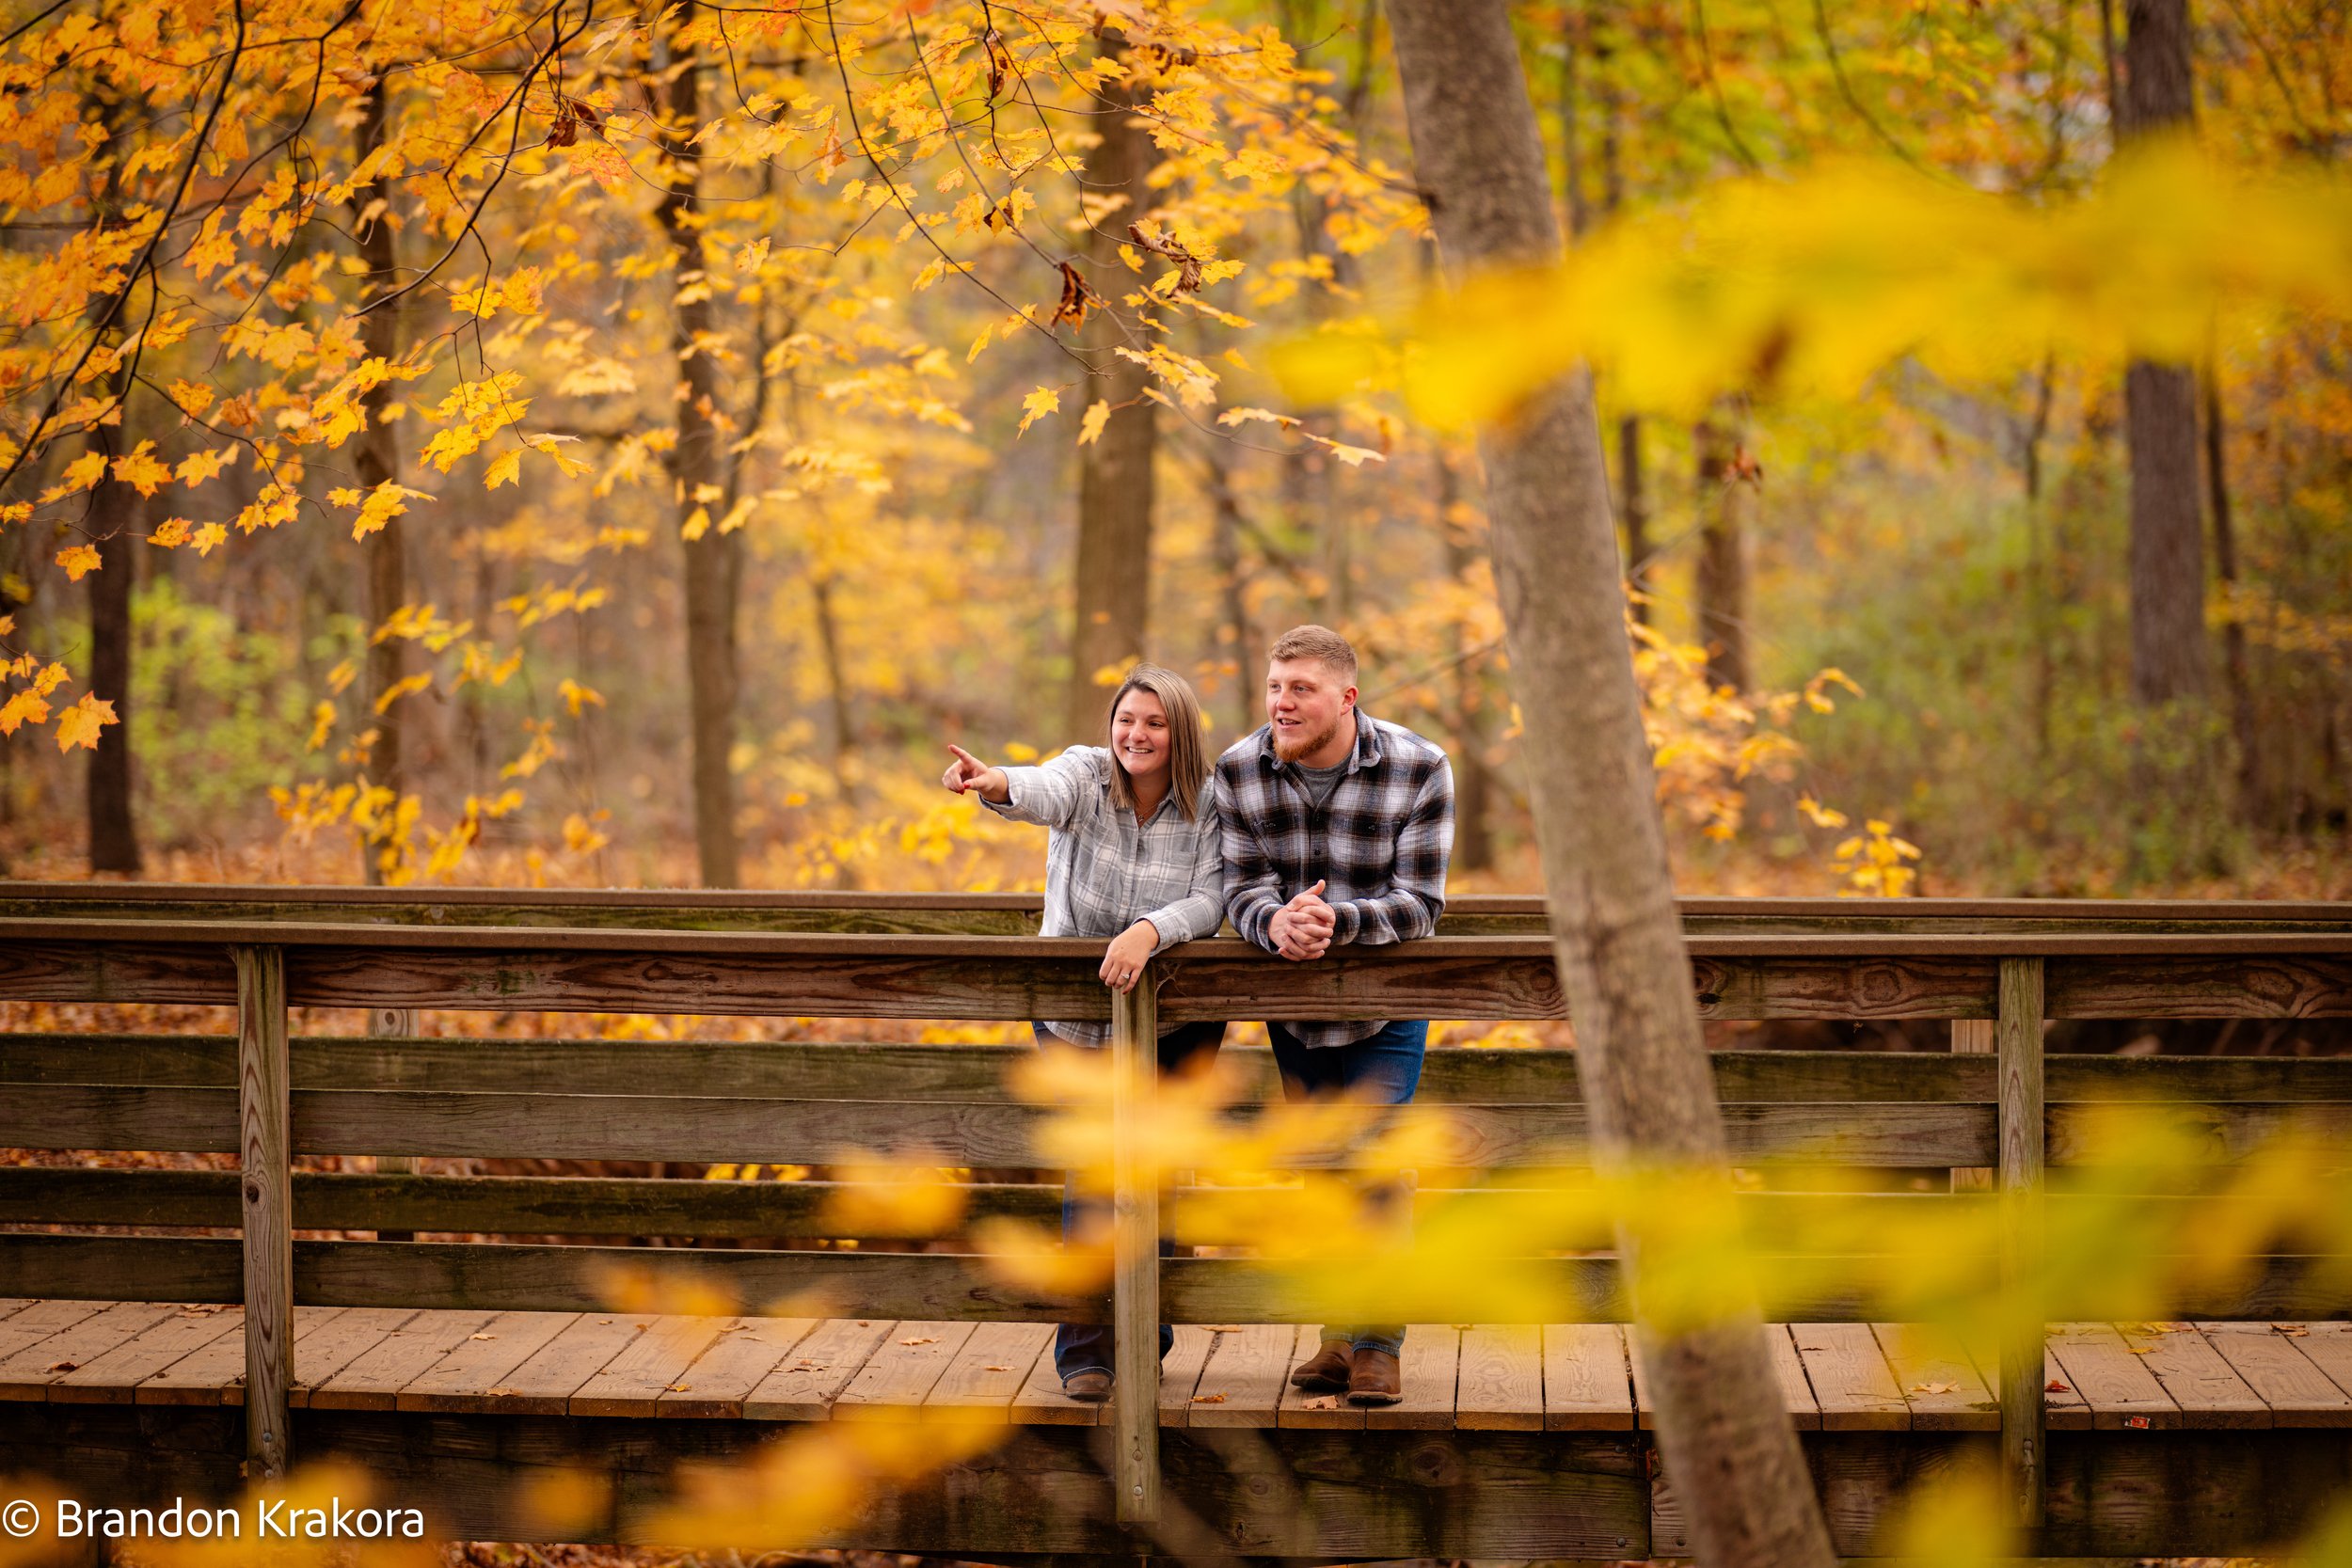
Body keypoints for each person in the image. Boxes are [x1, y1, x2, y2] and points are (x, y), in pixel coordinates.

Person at [941, 663, 1226, 1402]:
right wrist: (995, 782)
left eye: (1155, 723)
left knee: (1154, 1172)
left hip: (1173, 1020)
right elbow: (1039, 788)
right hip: (1077, 1018)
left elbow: (1211, 898)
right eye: (1127, 719)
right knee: (1096, 1166)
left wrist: (1147, 930)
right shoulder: (1087, 775)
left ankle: (1147, 1342)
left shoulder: (1211, 801)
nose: (1137, 734)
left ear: (1181, 733)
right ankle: (1088, 1349)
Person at [1215, 624, 1454, 1406]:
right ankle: (1336, 1338)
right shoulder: (1238, 770)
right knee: (1322, 1170)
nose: (1282, 703)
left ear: (1347, 697)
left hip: (1389, 1008)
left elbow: (1420, 904)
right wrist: (1272, 922)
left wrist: (1333, 922)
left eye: (1301, 689)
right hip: (1296, 1010)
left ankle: (1378, 1345)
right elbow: (1239, 884)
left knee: (1377, 1163)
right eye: (1276, 687)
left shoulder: (1421, 766)